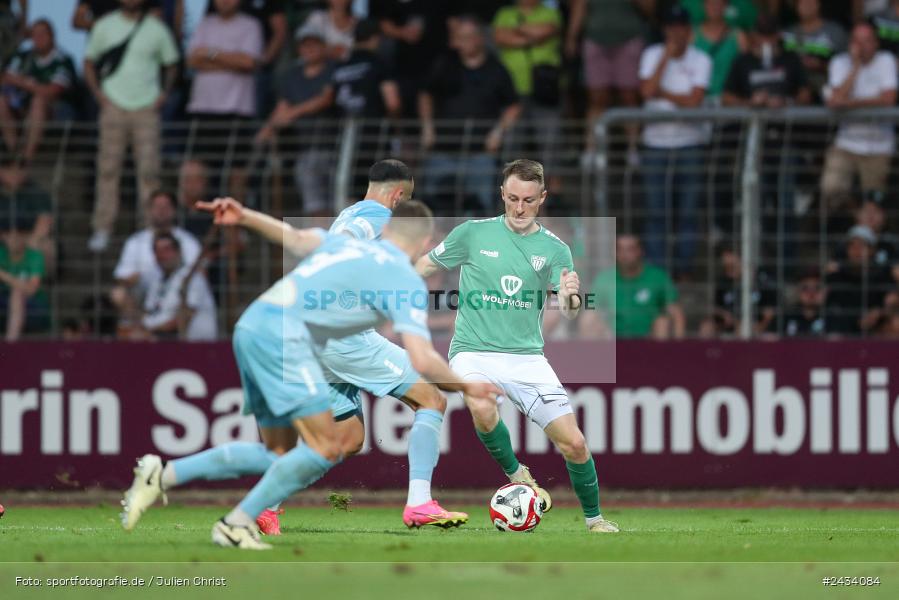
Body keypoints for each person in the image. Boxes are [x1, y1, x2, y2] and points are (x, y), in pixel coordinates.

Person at [120, 200, 501, 549]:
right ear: (426, 242)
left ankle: (164, 474)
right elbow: (422, 358)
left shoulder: (347, 244)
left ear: (385, 232)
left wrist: (246, 215)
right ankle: (235, 522)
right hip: (288, 338)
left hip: (252, 324)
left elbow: (296, 238)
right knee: (325, 447)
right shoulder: (402, 278)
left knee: (280, 454)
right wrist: (468, 384)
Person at [416, 159, 620, 534]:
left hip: (526, 357)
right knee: (480, 402)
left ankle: (595, 520)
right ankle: (517, 474)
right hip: (472, 350)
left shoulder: (556, 249)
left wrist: (573, 297)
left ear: (542, 198)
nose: (520, 208)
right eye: (512, 199)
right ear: (502, 196)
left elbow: (571, 311)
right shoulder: (472, 234)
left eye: (528, 199)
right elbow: (423, 267)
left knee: (574, 444)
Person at [84, 0, 180, 252]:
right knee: (107, 170)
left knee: (149, 171)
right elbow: (88, 62)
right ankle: (102, 228)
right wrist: (99, 96)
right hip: (113, 106)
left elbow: (172, 64)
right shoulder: (103, 25)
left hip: (147, 108)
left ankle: (149, 228)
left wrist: (163, 95)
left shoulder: (156, 28)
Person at [419, 16, 521, 215]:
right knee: (434, 206)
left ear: (480, 38)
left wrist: (498, 132)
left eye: (467, 37)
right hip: (442, 149)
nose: (462, 43)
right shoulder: (445, 65)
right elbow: (426, 95)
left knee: (481, 207)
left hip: (480, 153)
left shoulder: (496, 69)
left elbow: (513, 105)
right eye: (459, 38)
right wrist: (427, 127)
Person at [638, 4, 711, 276]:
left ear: (688, 30)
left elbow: (694, 102)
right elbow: (646, 91)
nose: (676, 32)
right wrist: (665, 58)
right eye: (671, 27)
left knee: (688, 212)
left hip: (690, 143)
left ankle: (684, 269)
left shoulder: (701, 59)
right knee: (657, 212)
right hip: (655, 144)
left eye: (680, 27)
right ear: (665, 30)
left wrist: (664, 94)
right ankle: (657, 268)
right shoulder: (652, 54)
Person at [256, 25, 336, 216]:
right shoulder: (291, 75)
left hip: (333, 146)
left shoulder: (333, 69)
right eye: (305, 45)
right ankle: (324, 244)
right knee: (314, 203)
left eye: (314, 45)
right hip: (305, 149)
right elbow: (282, 108)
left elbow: (326, 99)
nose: (309, 49)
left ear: (324, 47)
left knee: (339, 203)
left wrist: (293, 113)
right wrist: (267, 130)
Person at [820, 21, 897, 211]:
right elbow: (836, 99)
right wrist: (855, 67)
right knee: (831, 189)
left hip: (879, 145)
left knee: (874, 199)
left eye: (867, 41)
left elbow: (888, 99)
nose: (861, 46)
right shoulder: (840, 62)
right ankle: (856, 219)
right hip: (847, 142)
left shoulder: (886, 60)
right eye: (856, 41)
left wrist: (849, 104)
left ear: (876, 43)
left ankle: (864, 232)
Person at [186, 0, 263, 185]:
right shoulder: (205, 24)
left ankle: (237, 215)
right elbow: (192, 61)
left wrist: (211, 53)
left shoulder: (251, 25)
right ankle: (197, 214)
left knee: (236, 171)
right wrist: (231, 60)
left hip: (237, 109)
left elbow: (248, 63)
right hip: (203, 108)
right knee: (196, 169)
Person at [566, 0, 652, 158]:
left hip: (629, 38)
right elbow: (580, 5)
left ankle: (633, 150)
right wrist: (572, 36)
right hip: (595, 38)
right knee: (597, 98)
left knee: (629, 96)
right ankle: (592, 150)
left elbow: (650, 9)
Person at [493, 0, 563, 180]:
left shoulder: (550, 12)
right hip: (511, 90)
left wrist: (516, 30)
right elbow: (500, 36)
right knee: (511, 144)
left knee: (549, 144)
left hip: (544, 89)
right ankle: (510, 190)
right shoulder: (504, 13)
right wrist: (532, 33)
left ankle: (550, 196)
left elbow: (546, 31)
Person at [110, 190, 201, 327]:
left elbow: (199, 274)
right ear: (149, 210)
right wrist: (135, 279)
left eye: (166, 207)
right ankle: (140, 328)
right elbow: (121, 277)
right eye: (157, 207)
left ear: (174, 210)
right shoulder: (135, 241)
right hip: (143, 297)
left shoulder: (188, 241)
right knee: (118, 293)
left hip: (175, 295)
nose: (161, 211)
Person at [0, 19, 78, 168]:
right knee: (2, 100)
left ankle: (27, 159)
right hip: (21, 106)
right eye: (34, 34)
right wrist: (27, 85)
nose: (38, 38)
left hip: (55, 111)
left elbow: (53, 91)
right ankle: (15, 152)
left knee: (39, 101)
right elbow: (5, 78)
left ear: (52, 36)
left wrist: (24, 83)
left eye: (43, 34)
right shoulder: (22, 57)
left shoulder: (63, 60)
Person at [581, 234, 685, 339]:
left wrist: (680, 350)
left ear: (640, 251)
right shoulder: (603, 278)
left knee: (663, 322)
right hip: (612, 338)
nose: (624, 254)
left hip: (649, 339)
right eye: (619, 249)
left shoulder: (658, 277)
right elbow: (589, 308)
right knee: (588, 318)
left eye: (630, 249)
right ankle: (589, 354)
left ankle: (662, 355)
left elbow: (676, 313)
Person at [126, 232, 218, 341]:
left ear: (178, 252)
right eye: (157, 251)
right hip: (162, 340)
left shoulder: (192, 278)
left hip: (195, 345)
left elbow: (184, 318)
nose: (162, 255)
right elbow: (149, 313)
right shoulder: (157, 282)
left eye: (167, 250)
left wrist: (148, 332)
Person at [370, 0, 453, 116]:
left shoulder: (437, 4)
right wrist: (402, 32)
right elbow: (383, 22)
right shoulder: (393, 6)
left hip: (432, 64)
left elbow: (450, 22)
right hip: (401, 66)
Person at [826, 225, 894, 335]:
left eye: (861, 246)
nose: (856, 251)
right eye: (852, 246)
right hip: (843, 335)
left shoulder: (882, 276)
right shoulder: (837, 276)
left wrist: (879, 312)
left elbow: (890, 301)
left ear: (872, 250)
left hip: (875, 332)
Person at [698, 244, 776, 337]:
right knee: (706, 327)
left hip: (755, 325)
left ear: (740, 259)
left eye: (729, 257)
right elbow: (716, 307)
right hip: (730, 324)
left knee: (744, 329)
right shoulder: (723, 281)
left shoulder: (761, 280)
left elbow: (770, 313)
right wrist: (724, 315)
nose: (725, 262)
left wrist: (758, 327)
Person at [781, 0, 847, 99]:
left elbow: (846, 64)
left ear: (818, 4)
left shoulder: (834, 31)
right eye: (802, 3)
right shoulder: (786, 34)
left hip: (827, 90)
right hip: (794, 91)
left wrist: (821, 65)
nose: (806, 7)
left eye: (810, 3)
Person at [0, 215, 48, 341]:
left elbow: (31, 289)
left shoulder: (35, 256)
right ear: (2, 236)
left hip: (33, 304)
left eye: (18, 235)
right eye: (9, 235)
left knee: (17, 293)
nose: (13, 239)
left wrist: (3, 275)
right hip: (2, 299)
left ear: (26, 236)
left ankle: (11, 344)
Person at [692, 0, 746, 101]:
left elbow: (745, 70)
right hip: (698, 101)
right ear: (703, 6)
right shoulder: (692, 35)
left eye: (718, 4)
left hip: (728, 101)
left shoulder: (738, 36)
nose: (714, 8)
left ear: (726, 6)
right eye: (710, 4)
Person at [770, 269, 827, 337]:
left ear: (825, 292)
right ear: (797, 291)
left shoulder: (834, 316)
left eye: (817, 288)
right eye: (805, 288)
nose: (811, 293)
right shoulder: (785, 316)